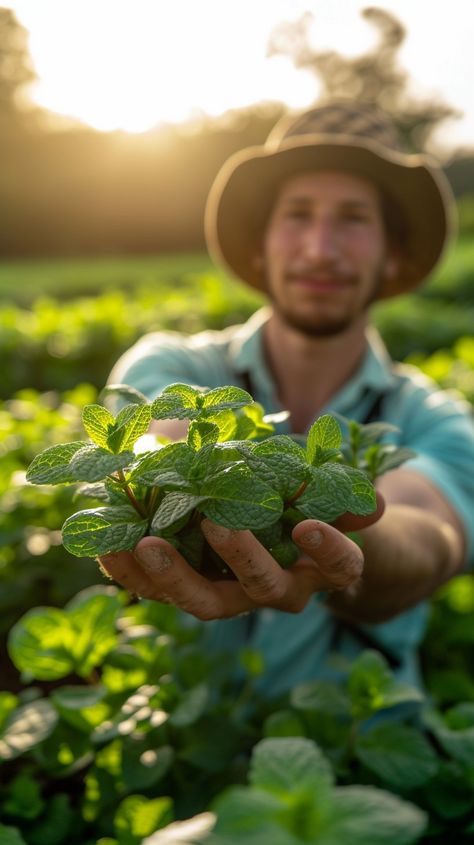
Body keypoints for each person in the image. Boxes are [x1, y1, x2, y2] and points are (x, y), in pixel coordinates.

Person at [101, 100, 474, 699]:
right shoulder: (172, 364)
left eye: (353, 219)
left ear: (393, 254)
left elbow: (430, 536)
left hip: (357, 751)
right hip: (182, 737)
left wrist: (338, 540)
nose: (320, 249)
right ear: (260, 244)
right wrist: (170, 473)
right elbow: (157, 434)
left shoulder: (433, 418)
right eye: (297, 215)